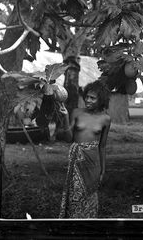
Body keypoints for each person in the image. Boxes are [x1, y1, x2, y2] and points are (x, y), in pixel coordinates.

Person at [58, 80, 111, 218]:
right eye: (86, 97)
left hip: (93, 162)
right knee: (75, 193)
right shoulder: (77, 112)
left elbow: (102, 146)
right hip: (77, 161)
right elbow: (69, 138)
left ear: (101, 99)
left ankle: (88, 222)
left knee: (90, 194)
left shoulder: (105, 119)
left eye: (92, 98)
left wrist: (103, 169)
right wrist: (64, 117)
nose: (88, 100)